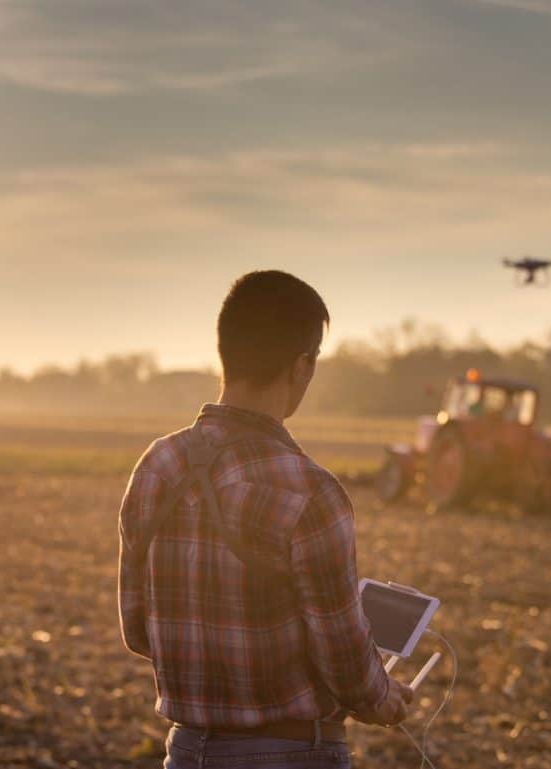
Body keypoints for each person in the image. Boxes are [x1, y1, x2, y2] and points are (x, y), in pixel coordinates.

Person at [118, 270, 412, 768]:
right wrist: (383, 698)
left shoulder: (157, 466)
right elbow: (345, 662)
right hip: (292, 755)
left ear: (225, 352)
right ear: (301, 366)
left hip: (186, 752)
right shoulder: (310, 490)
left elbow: (137, 630)